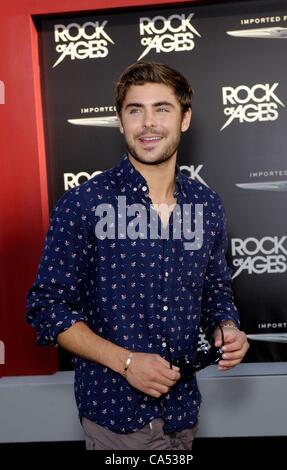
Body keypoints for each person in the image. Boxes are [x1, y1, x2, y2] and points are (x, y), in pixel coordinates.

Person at [26, 61, 249, 451]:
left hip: (184, 413)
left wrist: (227, 326)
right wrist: (126, 362)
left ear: (184, 118)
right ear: (120, 121)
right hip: (117, 417)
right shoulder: (84, 203)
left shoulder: (207, 204)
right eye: (135, 110)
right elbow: (47, 308)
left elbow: (215, 289)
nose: (148, 123)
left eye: (162, 108)